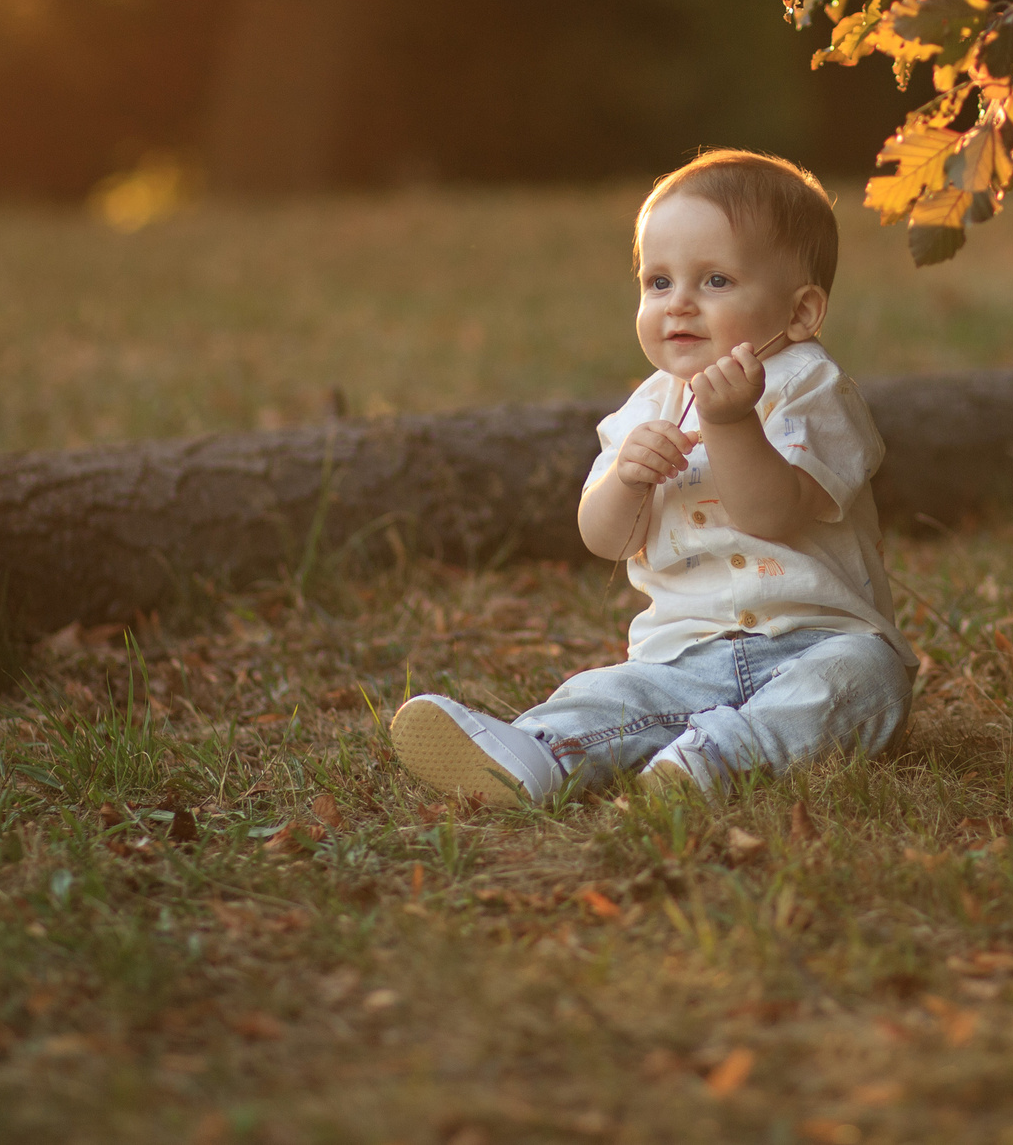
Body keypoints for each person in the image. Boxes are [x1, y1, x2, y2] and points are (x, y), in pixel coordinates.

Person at [390, 149, 916, 801]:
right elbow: (603, 537)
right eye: (658, 282)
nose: (679, 305)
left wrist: (730, 423)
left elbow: (773, 516)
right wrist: (625, 483)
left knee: (868, 678)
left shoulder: (810, 385)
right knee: (611, 691)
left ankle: (714, 761)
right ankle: (537, 754)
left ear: (801, 312)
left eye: (715, 281)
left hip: (815, 643)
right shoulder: (646, 406)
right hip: (682, 656)